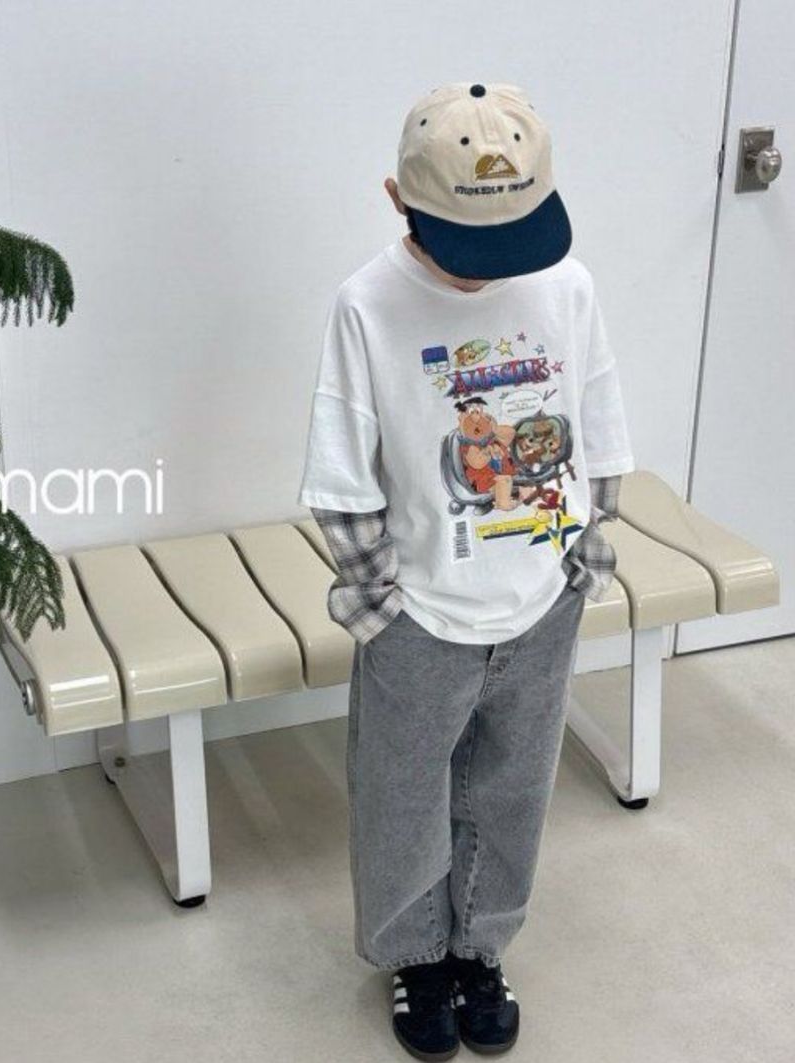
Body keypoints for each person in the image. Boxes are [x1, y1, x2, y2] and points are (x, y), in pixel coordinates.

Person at [297, 82, 634, 1060]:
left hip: (541, 600)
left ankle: (479, 946)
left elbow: (597, 418)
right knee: (401, 797)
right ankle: (416, 955)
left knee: (512, 789)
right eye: (466, 242)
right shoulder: (367, 305)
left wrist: (584, 553)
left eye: (511, 236)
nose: (491, 268)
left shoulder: (565, 282)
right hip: (421, 611)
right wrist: (380, 603)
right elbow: (340, 469)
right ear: (397, 199)